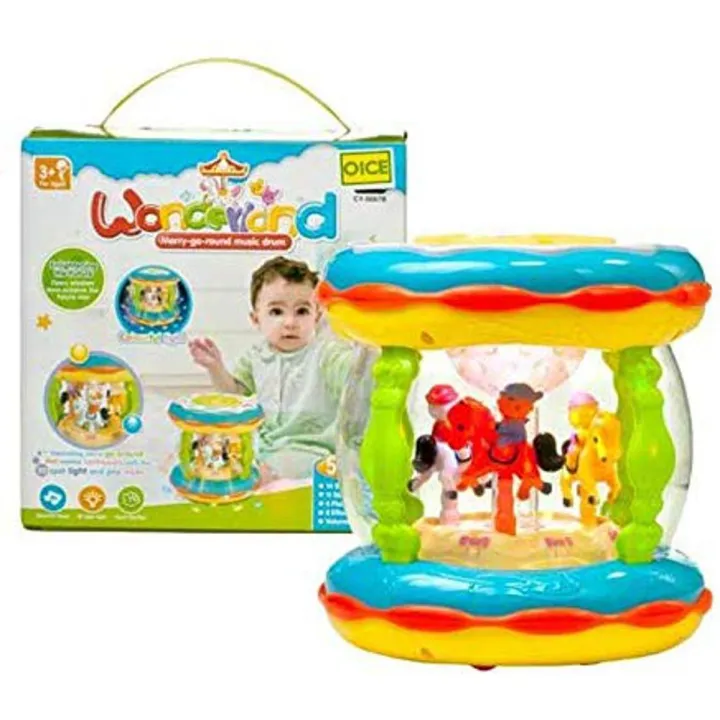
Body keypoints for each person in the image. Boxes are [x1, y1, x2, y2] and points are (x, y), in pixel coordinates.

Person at [188, 256, 352, 480]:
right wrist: (215, 367)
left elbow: (352, 374)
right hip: (263, 443)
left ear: (317, 316)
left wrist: (364, 351)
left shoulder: (327, 354)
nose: (290, 322)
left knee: (284, 467)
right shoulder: (255, 356)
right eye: (276, 312)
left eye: (302, 311)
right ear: (256, 319)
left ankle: (265, 477)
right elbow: (236, 397)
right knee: (206, 448)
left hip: (310, 449)